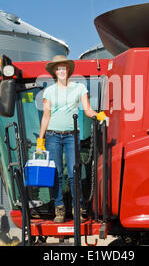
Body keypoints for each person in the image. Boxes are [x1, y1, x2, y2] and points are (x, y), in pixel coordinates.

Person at [36, 55, 107, 223]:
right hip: (53, 135)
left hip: (71, 135)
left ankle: (78, 208)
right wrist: (41, 139)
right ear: (54, 71)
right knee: (57, 173)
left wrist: (100, 115)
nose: (61, 71)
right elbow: (46, 115)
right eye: (58, 68)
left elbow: (88, 109)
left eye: (64, 68)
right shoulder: (49, 91)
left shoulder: (79, 88)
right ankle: (59, 209)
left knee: (75, 172)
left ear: (68, 70)